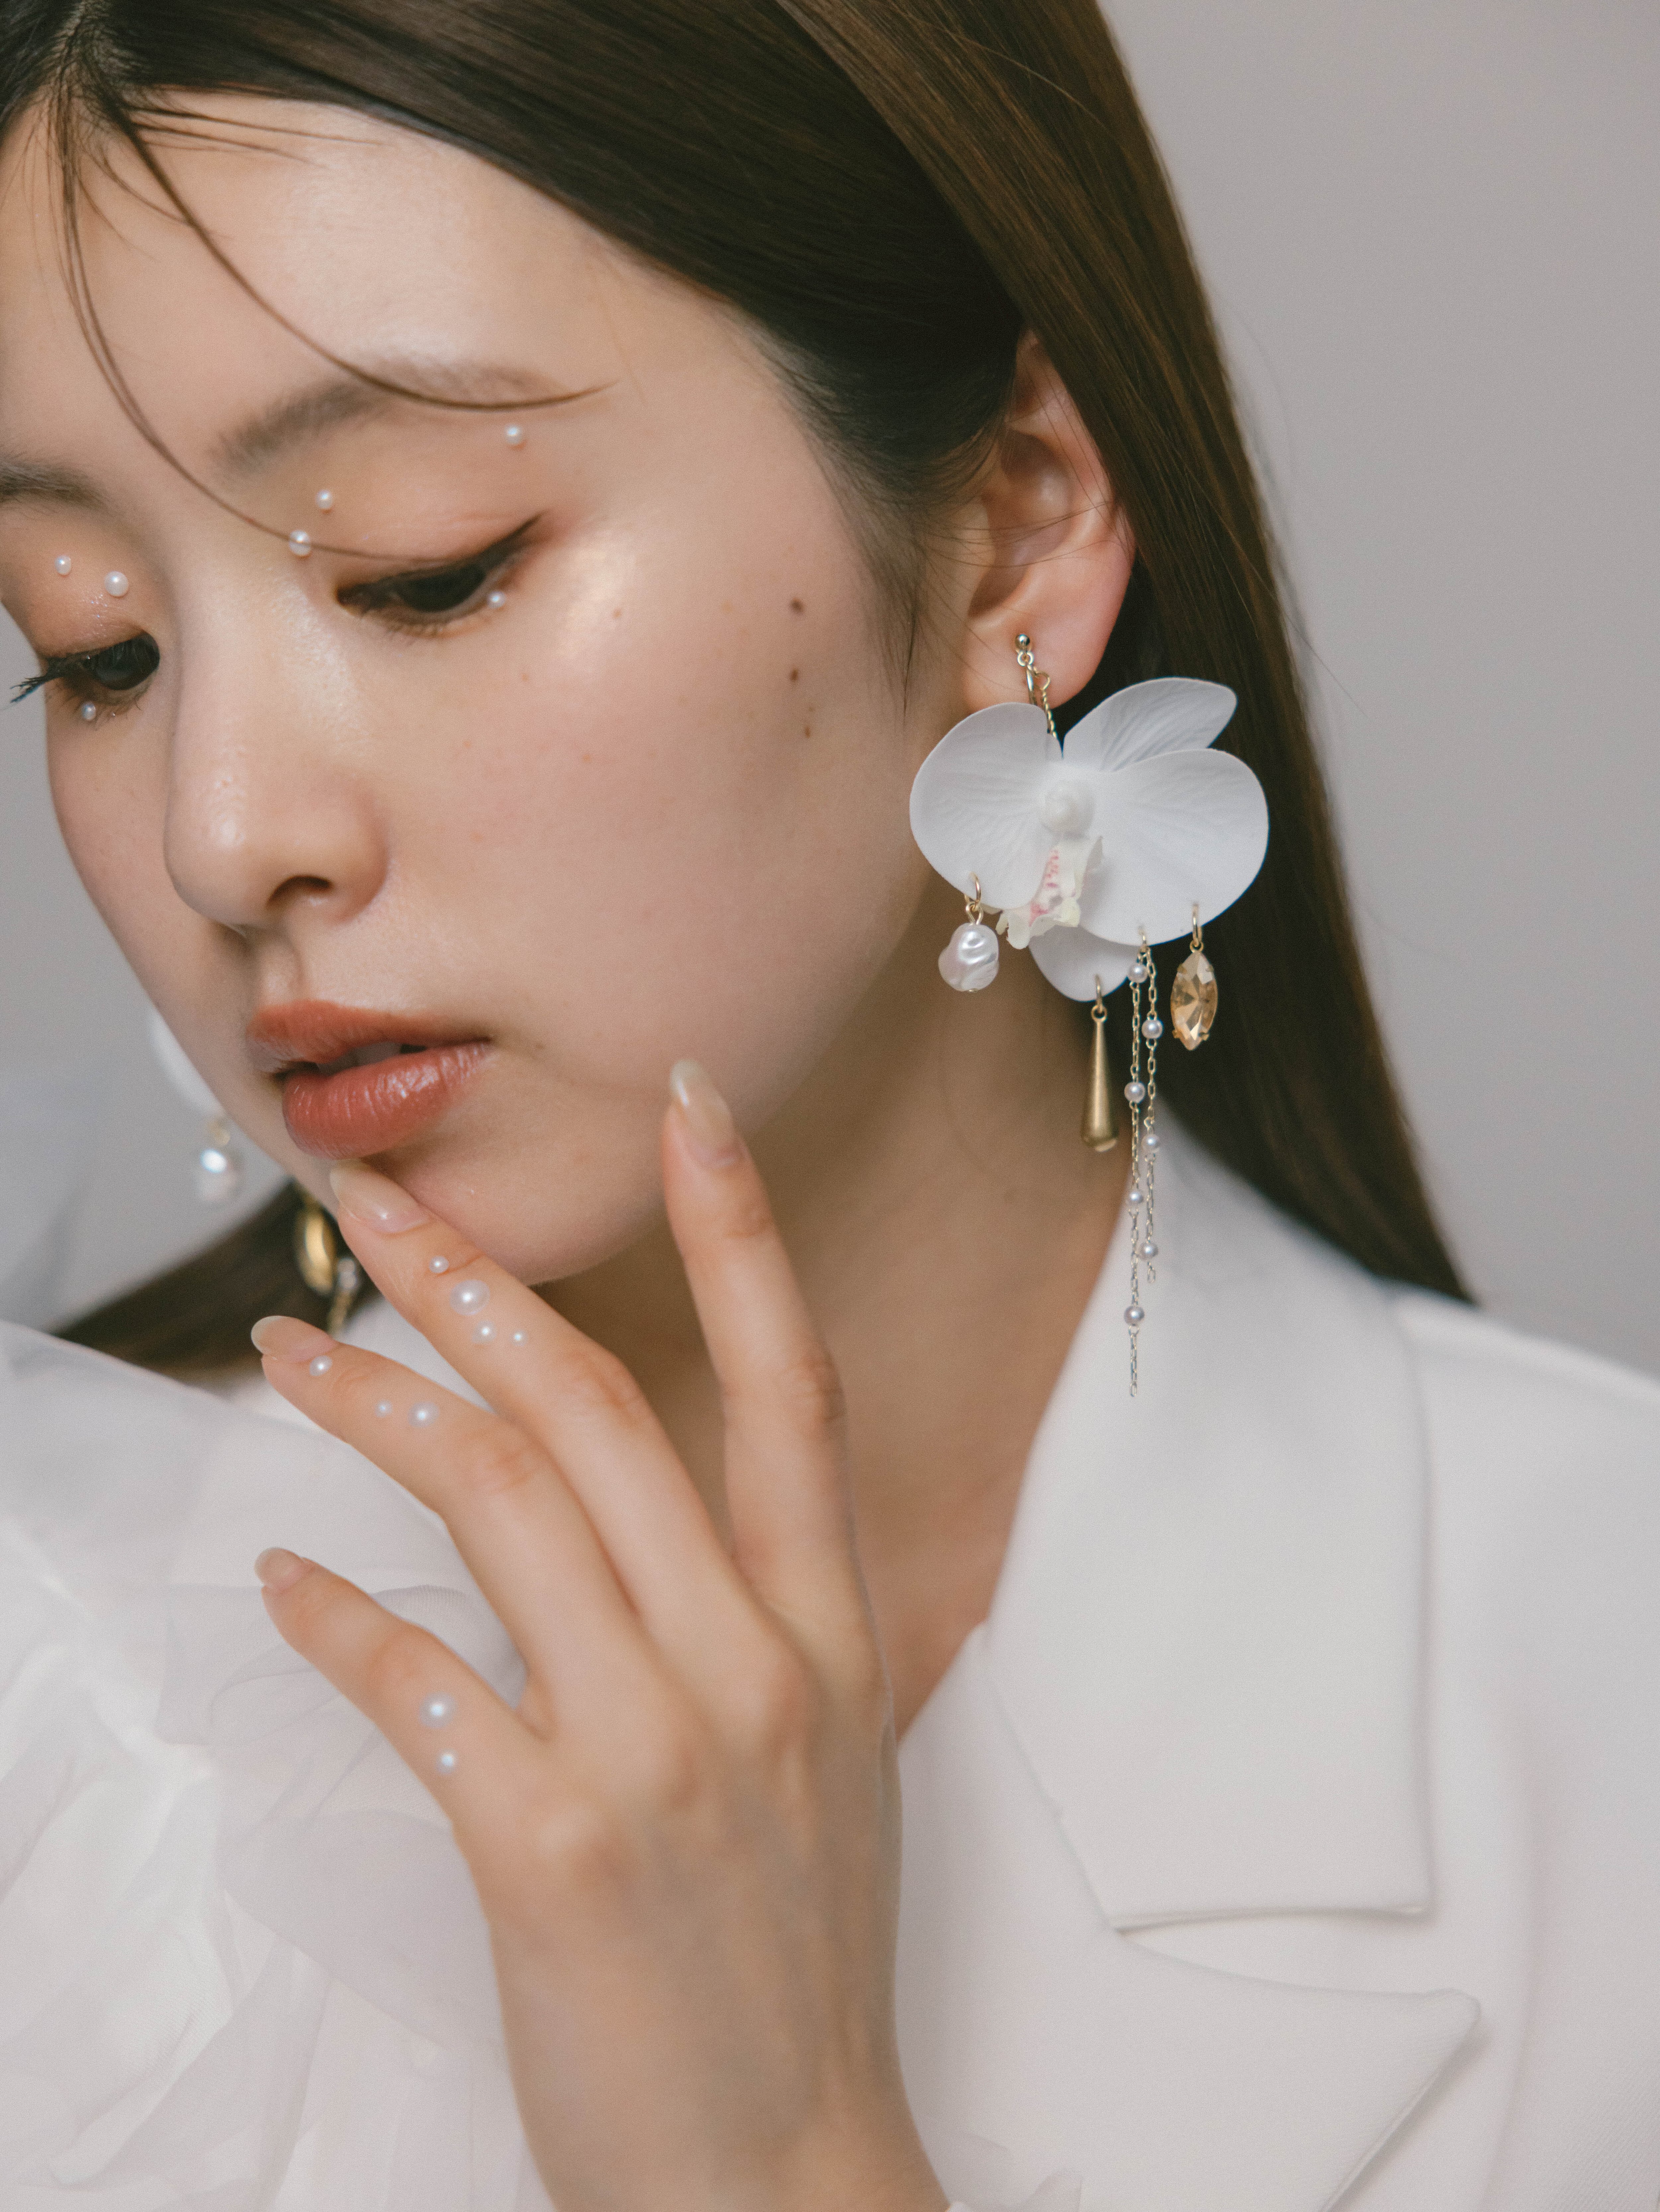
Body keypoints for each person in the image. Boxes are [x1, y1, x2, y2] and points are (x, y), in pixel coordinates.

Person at [0, 2, 1655, 2206]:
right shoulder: (43, 1667)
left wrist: (779, 2158)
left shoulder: (1606, 1717)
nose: (221, 832)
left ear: (1013, 534)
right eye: (95, 647)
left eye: (426, 568)